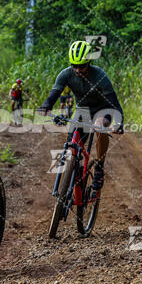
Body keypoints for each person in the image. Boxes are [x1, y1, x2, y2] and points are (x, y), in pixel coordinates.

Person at [39, 40, 124, 200]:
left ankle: (99, 166)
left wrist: (119, 123)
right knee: (71, 145)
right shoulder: (65, 74)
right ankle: (73, 172)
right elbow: (54, 94)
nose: (77, 70)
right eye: (74, 66)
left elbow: (114, 103)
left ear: (89, 62)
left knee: (99, 126)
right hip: (82, 110)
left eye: (82, 66)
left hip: (102, 109)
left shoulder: (100, 75)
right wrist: (46, 105)